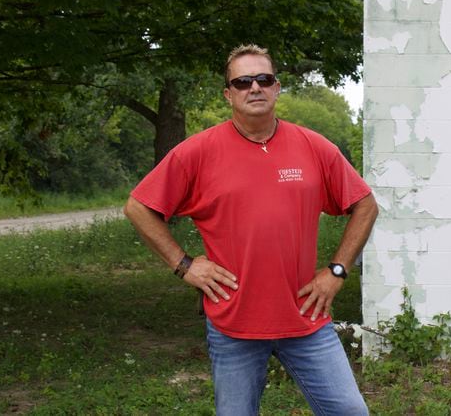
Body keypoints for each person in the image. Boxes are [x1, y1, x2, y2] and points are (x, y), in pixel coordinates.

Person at [123, 44, 377, 415]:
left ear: (277, 87)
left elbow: (365, 204)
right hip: (233, 326)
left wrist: (337, 271)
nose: (254, 87)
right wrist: (184, 265)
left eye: (264, 79)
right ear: (229, 94)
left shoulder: (313, 146)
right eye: (242, 82)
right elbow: (138, 206)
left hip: (306, 319)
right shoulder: (198, 152)